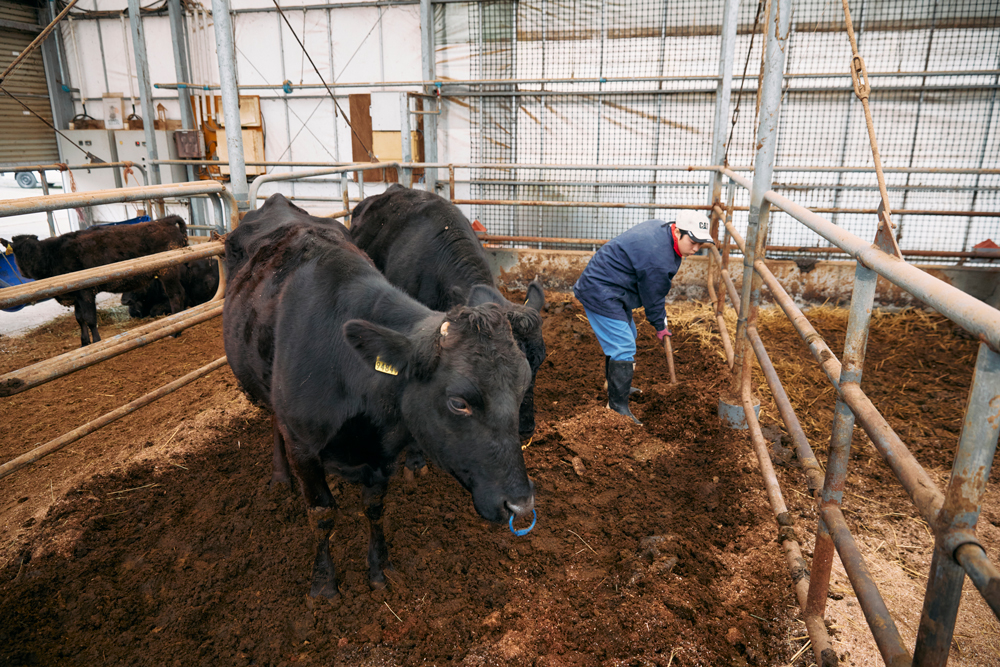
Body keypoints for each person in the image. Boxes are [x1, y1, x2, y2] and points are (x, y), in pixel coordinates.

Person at [573, 210, 714, 424]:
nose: (695, 249)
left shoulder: (662, 231)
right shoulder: (659, 258)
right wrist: (660, 325)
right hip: (601, 290)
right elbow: (653, 297)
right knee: (623, 345)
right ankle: (616, 407)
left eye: (700, 244)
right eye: (693, 241)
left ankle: (614, 385)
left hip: (616, 286)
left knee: (628, 333)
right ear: (678, 232)